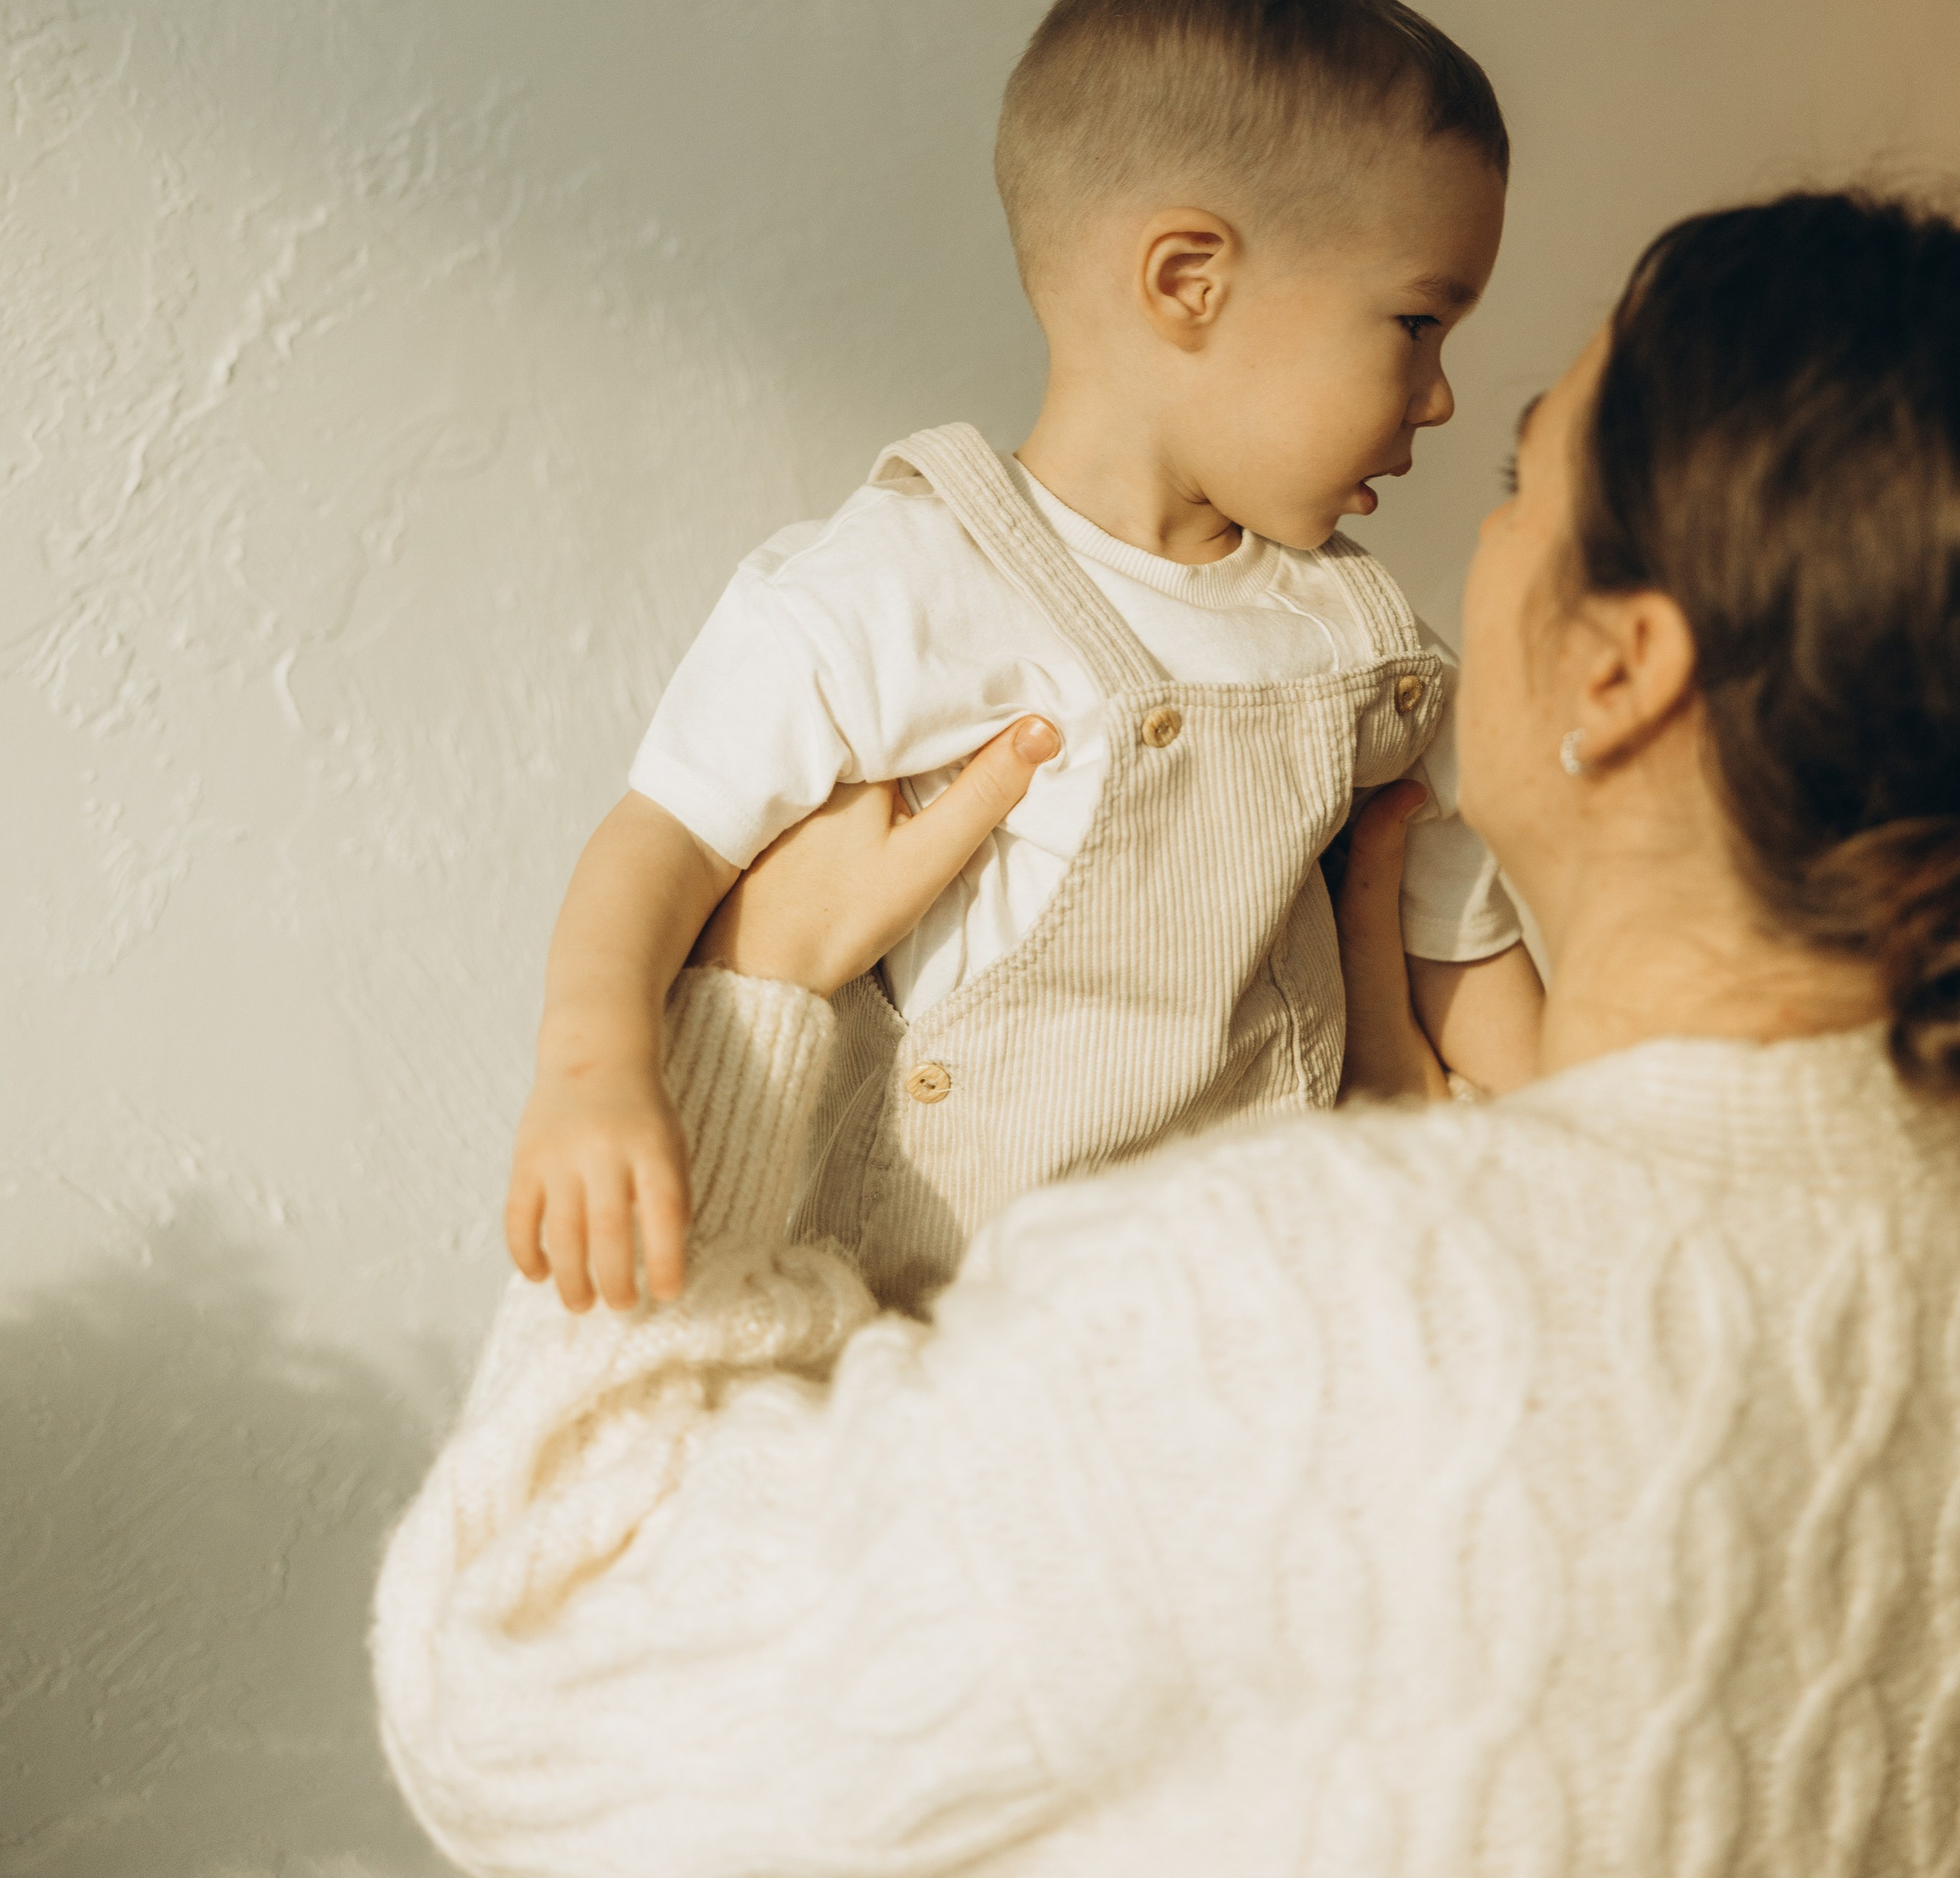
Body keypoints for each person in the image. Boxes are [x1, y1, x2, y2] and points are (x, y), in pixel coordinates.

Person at [376, 185, 1960, 1875]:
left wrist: (749, 1003)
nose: (1452, 467)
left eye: (1520, 480)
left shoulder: (1285, 1313)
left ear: (1619, 673)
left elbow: (524, 1688)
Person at [507, 0, 1540, 1318]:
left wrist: (1584, 1167)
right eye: (1418, 323)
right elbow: (663, 839)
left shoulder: (1359, 649)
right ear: (1189, 281)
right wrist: (595, 1072)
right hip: (930, 1317)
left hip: (1245, 1322)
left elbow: (1462, 954)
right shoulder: (907, 580)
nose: (1443, 395)